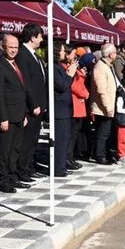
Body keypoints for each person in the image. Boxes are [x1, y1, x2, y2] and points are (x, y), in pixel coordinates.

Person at [0, 34, 28, 193]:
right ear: (3, 47)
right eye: (10, 47)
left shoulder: (16, 64)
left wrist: (24, 114)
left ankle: (13, 177)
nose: (13, 50)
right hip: (7, 117)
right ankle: (3, 180)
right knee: (4, 151)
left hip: (19, 115)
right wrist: (3, 117)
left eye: (16, 47)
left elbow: (20, 90)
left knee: (15, 149)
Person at [15, 24, 47, 180]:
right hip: (30, 107)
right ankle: (22, 169)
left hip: (39, 105)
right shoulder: (22, 54)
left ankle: (29, 166)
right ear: (33, 37)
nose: (41, 40)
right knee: (26, 140)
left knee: (33, 139)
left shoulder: (35, 56)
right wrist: (34, 104)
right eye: (40, 36)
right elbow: (26, 82)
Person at [89, 43, 119, 164]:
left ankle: (104, 152)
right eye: (115, 52)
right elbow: (101, 89)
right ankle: (99, 155)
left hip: (109, 104)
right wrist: (108, 107)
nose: (116, 54)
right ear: (110, 54)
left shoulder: (108, 66)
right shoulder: (100, 67)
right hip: (103, 107)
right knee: (102, 132)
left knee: (106, 132)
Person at [53, 42, 77, 177]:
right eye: (62, 51)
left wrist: (69, 74)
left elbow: (67, 85)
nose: (64, 53)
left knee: (65, 139)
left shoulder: (59, 67)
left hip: (65, 109)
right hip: (59, 109)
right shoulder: (53, 68)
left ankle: (61, 165)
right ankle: (58, 168)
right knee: (60, 141)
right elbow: (62, 86)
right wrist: (70, 74)